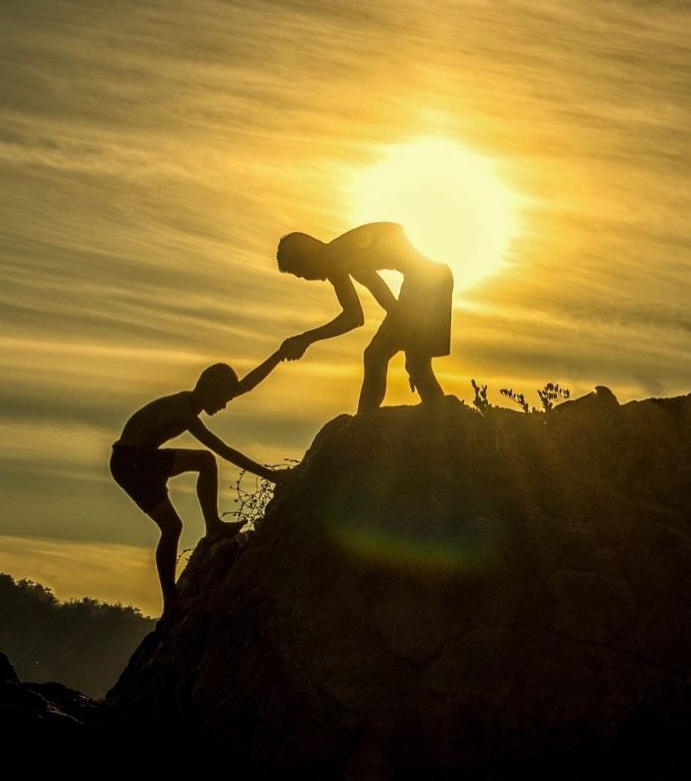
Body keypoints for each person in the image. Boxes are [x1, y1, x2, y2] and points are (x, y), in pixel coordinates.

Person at [110, 350, 286, 617]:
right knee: (172, 526)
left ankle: (213, 526)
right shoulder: (182, 410)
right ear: (211, 388)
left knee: (204, 464)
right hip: (132, 462)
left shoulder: (194, 402)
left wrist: (280, 354)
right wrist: (271, 475)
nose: (225, 405)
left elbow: (245, 386)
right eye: (223, 398)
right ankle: (172, 603)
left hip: (139, 459)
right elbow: (223, 449)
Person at [276, 221, 454, 412]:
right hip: (433, 280)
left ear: (306, 258)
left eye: (301, 273)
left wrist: (306, 338)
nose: (306, 278)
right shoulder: (343, 254)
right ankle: (440, 419)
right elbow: (382, 294)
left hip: (426, 285)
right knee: (415, 366)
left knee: (377, 357)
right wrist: (407, 339)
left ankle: (364, 422)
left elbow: (354, 317)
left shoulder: (334, 260)